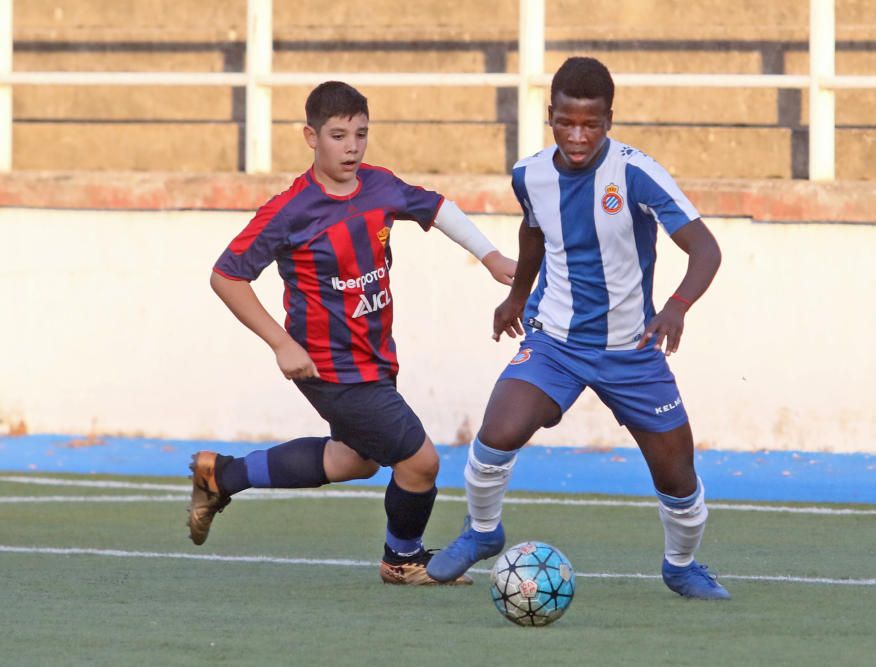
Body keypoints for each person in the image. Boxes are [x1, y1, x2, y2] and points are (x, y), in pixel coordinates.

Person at [187, 81, 516, 586]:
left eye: (360, 134)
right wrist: (282, 343)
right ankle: (401, 560)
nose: (352, 147)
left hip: (374, 359)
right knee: (420, 463)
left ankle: (222, 475)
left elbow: (435, 207)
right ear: (310, 137)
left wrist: (490, 256)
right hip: (328, 366)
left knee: (354, 459)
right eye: (338, 135)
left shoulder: (379, 186)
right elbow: (226, 276)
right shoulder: (290, 211)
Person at [426, 57, 730, 599]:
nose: (577, 136)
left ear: (609, 120)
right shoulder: (530, 174)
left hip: (632, 349)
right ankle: (482, 531)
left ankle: (680, 565)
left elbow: (705, 248)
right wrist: (516, 296)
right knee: (498, 432)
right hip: (556, 341)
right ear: (551, 116)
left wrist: (678, 306)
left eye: (590, 124)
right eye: (566, 123)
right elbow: (534, 230)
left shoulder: (637, 173)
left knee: (677, 476)